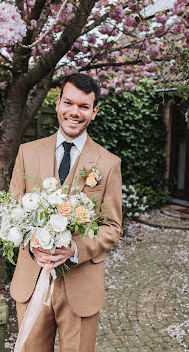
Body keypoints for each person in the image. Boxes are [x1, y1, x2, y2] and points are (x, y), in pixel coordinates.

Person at [9, 73, 123, 352]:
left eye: (84, 106)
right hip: (32, 280)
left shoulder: (108, 164)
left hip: (81, 286)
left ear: (94, 112)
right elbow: (12, 213)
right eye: (68, 103)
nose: (75, 112)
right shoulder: (27, 152)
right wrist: (33, 244)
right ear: (58, 103)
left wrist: (74, 248)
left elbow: (112, 226)